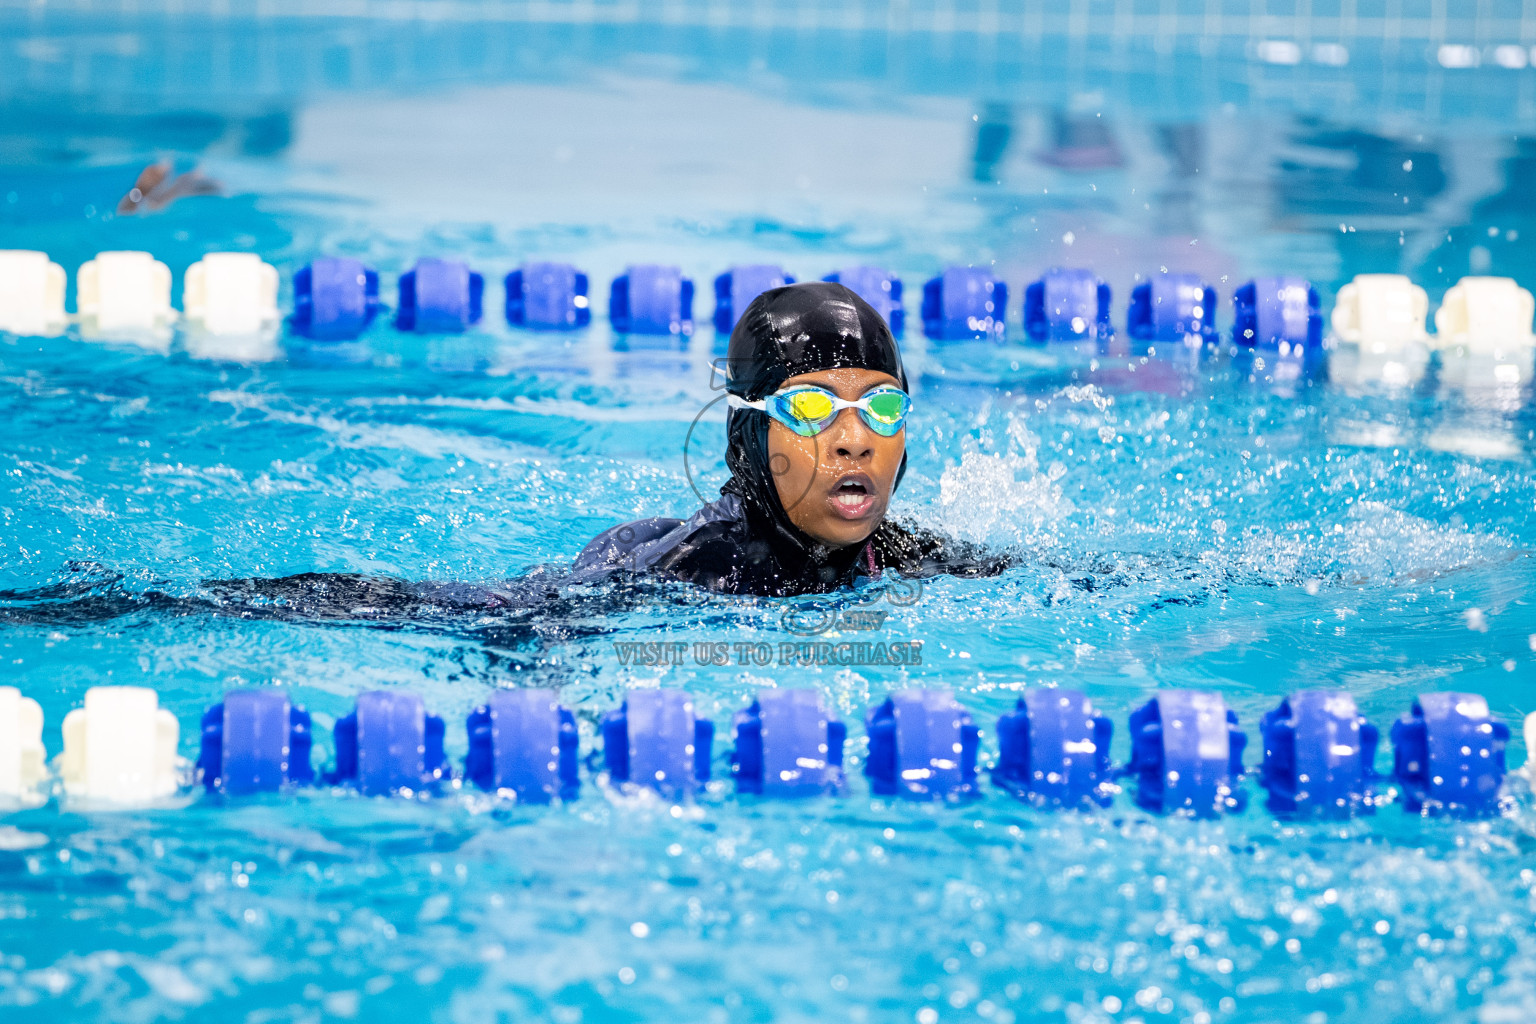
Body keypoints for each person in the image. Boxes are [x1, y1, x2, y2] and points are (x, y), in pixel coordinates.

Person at [569, 281, 1009, 596]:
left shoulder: (901, 554)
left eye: (883, 408)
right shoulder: (689, 574)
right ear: (750, 437)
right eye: (811, 409)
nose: (856, 440)